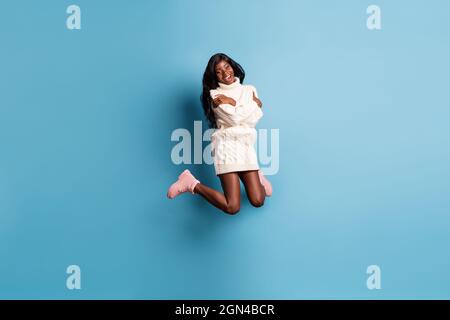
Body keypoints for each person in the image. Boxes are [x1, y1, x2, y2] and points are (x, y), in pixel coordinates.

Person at [167, 53, 272, 215]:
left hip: (246, 146)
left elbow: (254, 119)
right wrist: (254, 105)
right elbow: (235, 118)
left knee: (258, 200)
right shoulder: (214, 95)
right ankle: (191, 183)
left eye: (227, 67)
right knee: (232, 207)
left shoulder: (249, 89)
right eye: (218, 71)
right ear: (214, 76)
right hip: (227, 147)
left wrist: (234, 104)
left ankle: (259, 178)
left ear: (233, 67)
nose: (225, 73)